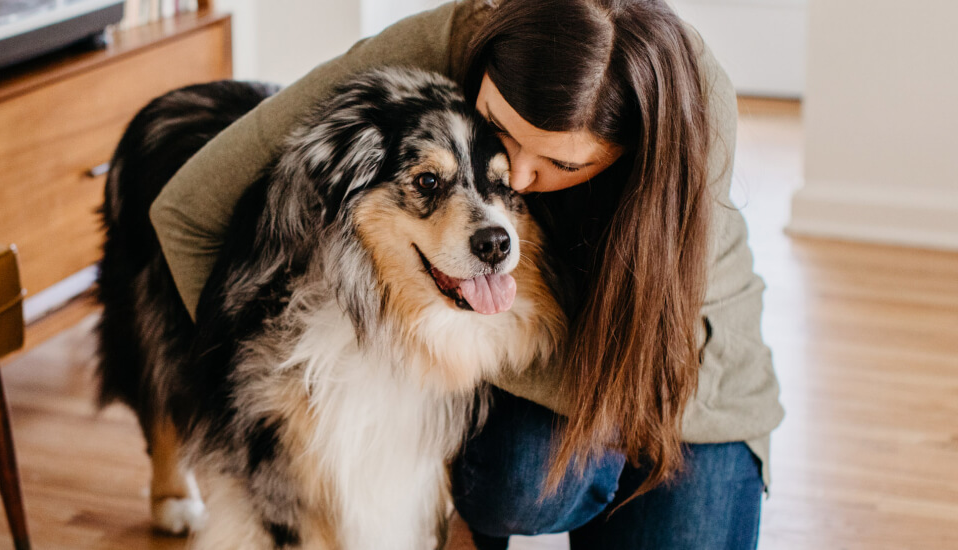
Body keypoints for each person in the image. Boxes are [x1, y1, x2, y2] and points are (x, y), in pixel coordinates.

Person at [147, 0, 784, 548]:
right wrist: (248, 367)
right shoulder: (450, 36)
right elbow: (184, 212)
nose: (520, 177)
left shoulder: (690, 118)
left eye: (561, 162)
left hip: (685, 384)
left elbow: (643, 364)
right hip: (534, 364)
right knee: (519, 485)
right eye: (501, 131)